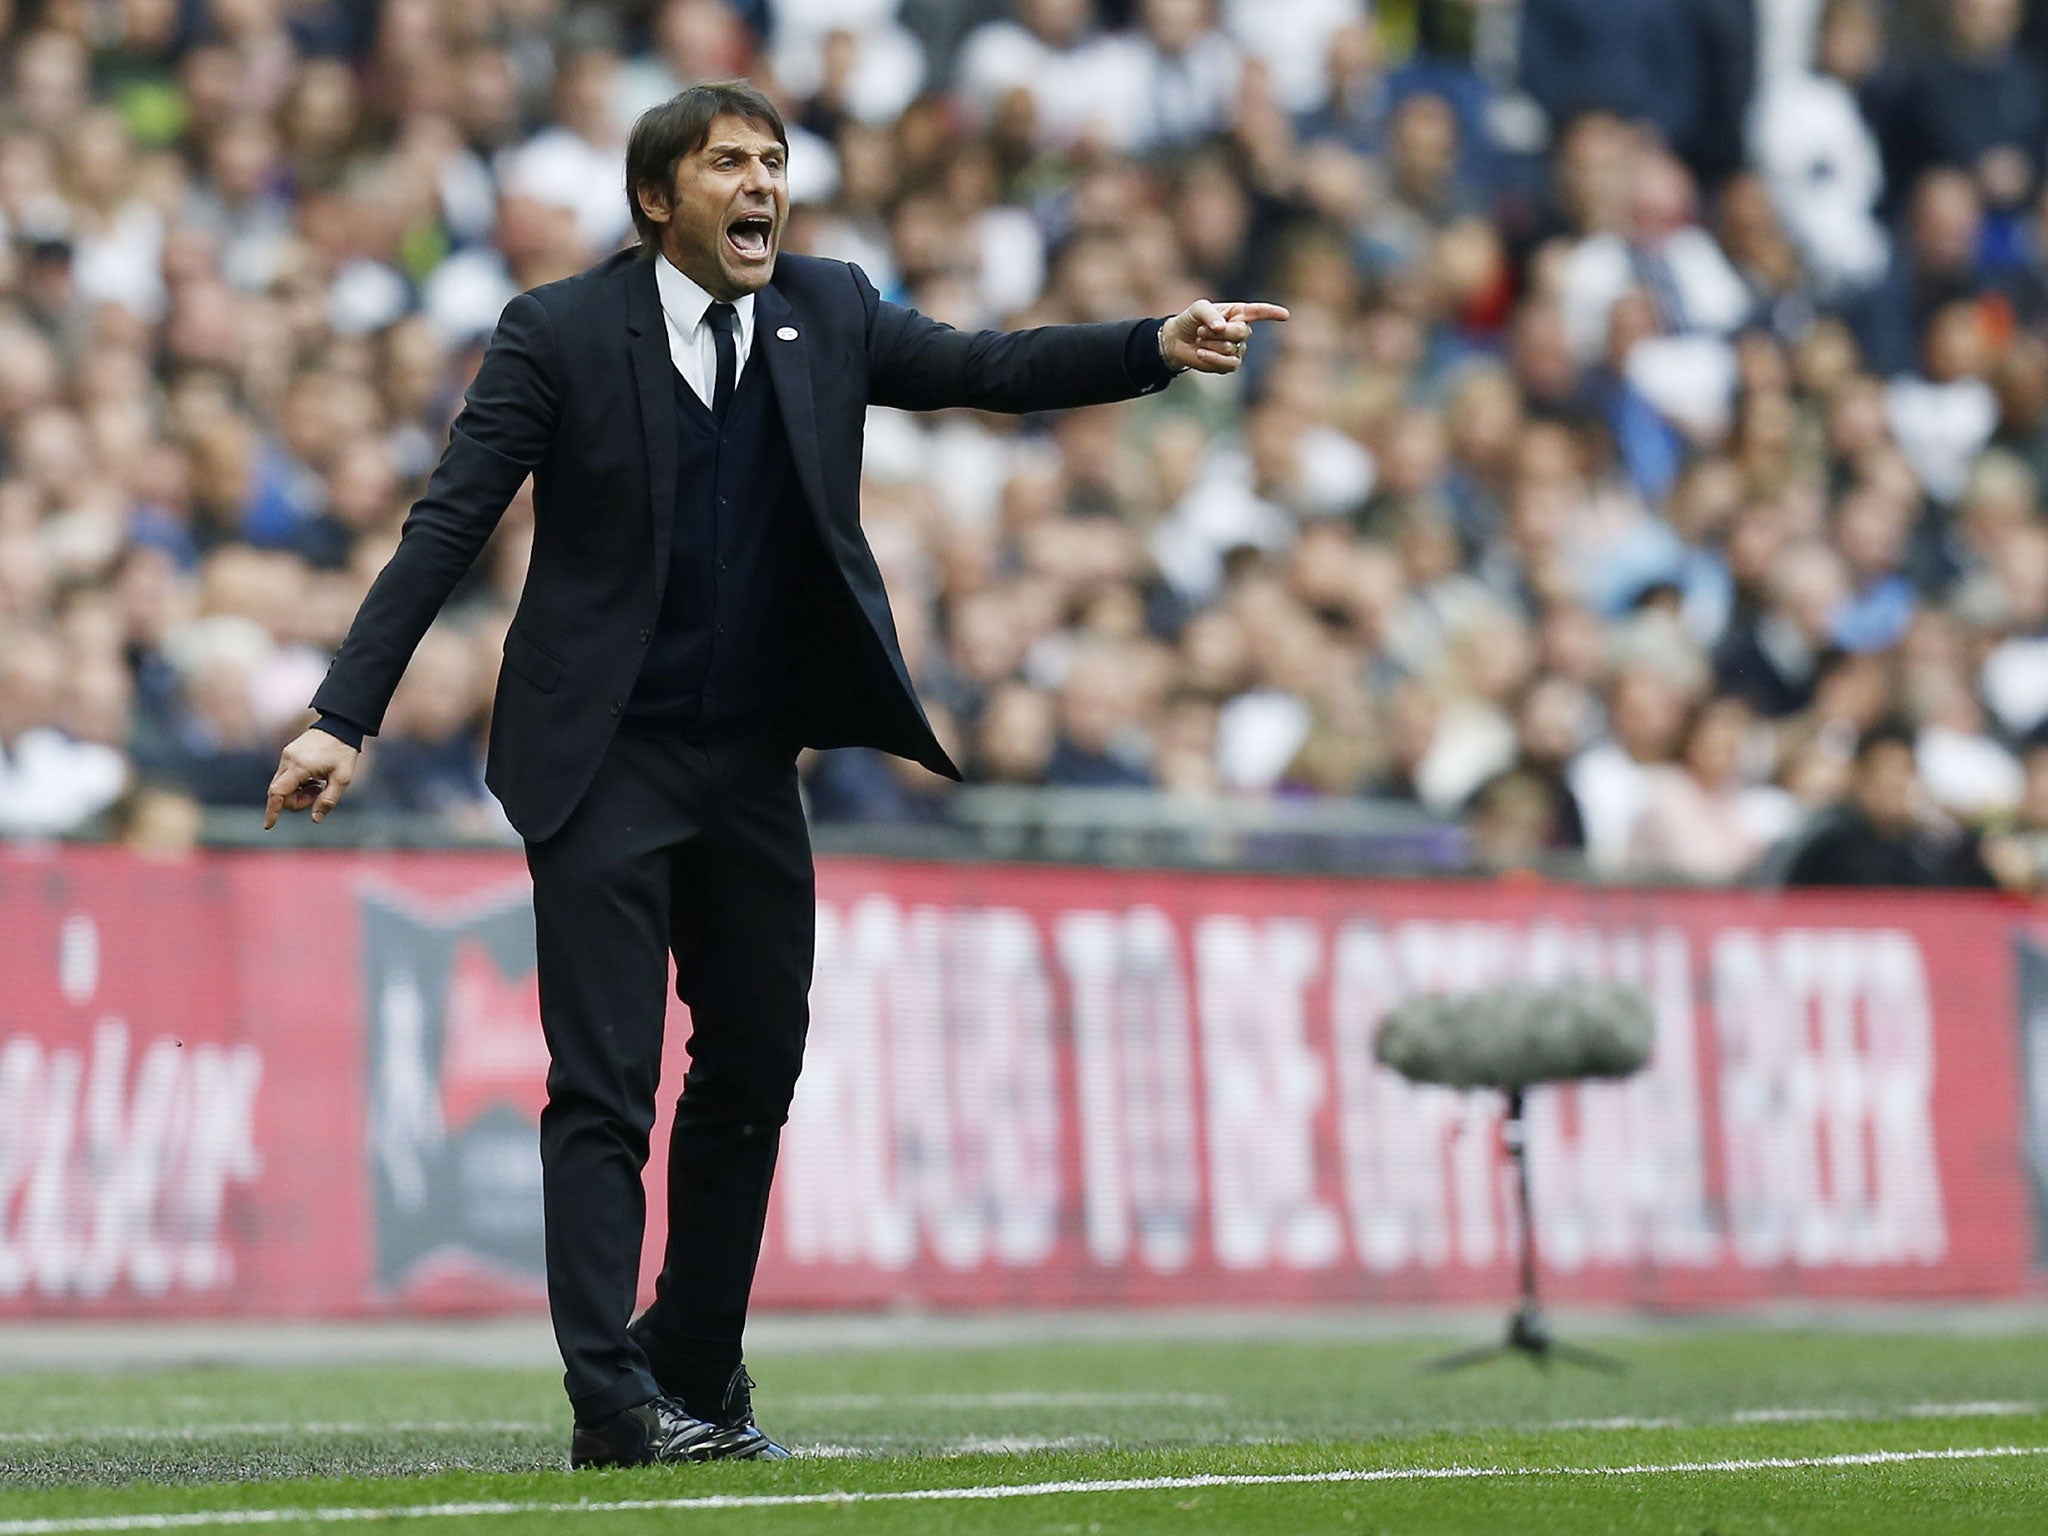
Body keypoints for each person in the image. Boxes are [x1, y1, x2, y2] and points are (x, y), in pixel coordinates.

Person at [262, 80, 1285, 1469]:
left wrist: (1150, 346)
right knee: (603, 1085)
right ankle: (613, 1405)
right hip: (601, 756)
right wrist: (344, 715)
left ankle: (693, 1356)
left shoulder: (831, 308)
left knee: (754, 1062)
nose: (762, 185)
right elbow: (447, 525)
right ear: (655, 200)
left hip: (747, 760)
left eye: (774, 161)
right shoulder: (557, 332)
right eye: (729, 162)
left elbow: (986, 367)